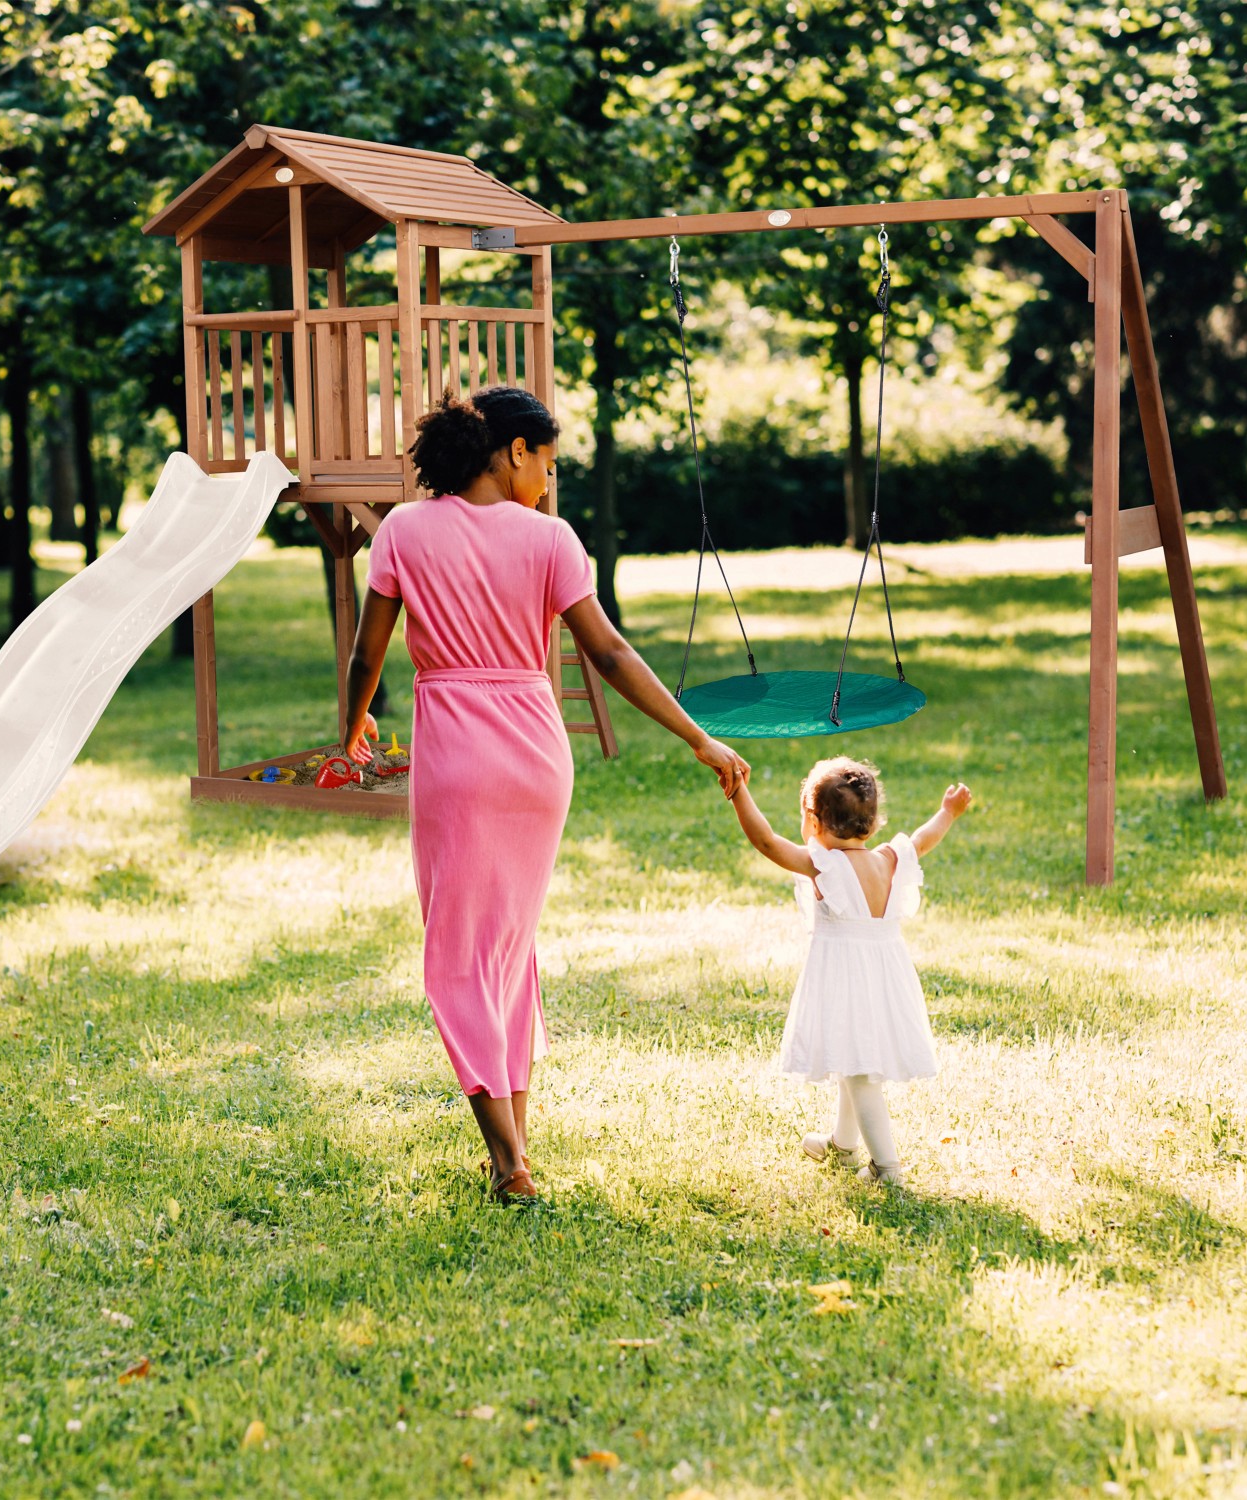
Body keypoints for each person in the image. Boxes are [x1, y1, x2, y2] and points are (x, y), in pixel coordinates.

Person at [343, 386, 749, 1203]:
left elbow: (367, 654)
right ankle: (516, 1146)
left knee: (460, 955)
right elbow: (609, 654)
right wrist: (697, 736)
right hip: (535, 753)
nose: (550, 483)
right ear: (514, 451)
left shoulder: (404, 531)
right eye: (549, 464)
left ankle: (508, 1162)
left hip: (456, 753)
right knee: (507, 950)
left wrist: (350, 728)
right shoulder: (552, 541)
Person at [726, 756, 972, 1186]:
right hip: (885, 979)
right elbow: (923, 838)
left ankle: (886, 1168)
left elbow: (765, 841)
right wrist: (947, 812)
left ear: (814, 821)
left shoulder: (824, 866)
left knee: (859, 1074)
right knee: (850, 1058)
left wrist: (738, 791)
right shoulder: (890, 859)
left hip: (846, 981)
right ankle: (842, 1146)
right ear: (873, 824)